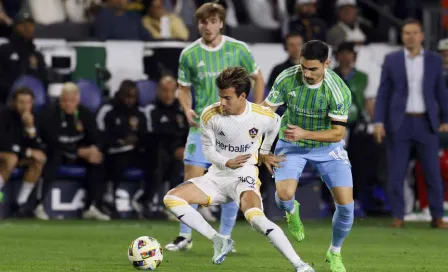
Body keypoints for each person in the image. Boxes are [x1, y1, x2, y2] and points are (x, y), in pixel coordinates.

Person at [164, 67, 314, 272]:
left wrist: (264, 151)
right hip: (216, 177)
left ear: (243, 96)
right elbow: (207, 150)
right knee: (171, 198)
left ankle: (300, 265)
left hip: (244, 178)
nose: (222, 103)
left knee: (257, 220)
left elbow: (276, 123)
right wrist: (227, 162)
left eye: (227, 98)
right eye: (220, 97)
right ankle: (218, 240)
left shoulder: (262, 115)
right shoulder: (210, 115)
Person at [165, 2, 265, 251]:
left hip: (233, 129)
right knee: (191, 178)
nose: (207, 26)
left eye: (212, 21)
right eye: (203, 22)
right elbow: (183, 88)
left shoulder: (238, 49)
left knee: (232, 181)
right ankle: (184, 236)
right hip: (201, 126)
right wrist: (187, 107)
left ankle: (225, 237)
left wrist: (258, 109)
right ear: (197, 24)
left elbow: (258, 77)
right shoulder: (189, 54)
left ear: (221, 23)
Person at [262, 40, 353, 272]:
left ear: (327, 64)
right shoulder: (286, 77)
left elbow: (337, 133)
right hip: (291, 143)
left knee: (346, 207)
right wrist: (261, 148)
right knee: (283, 196)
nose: (307, 74)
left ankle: (334, 252)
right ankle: (292, 210)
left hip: (327, 148)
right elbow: (266, 113)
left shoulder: (338, 90)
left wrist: (306, 133)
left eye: (313, 69)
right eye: (304, 67)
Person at [373, 19, 448, 229]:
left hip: (426, 122)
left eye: (414, 33)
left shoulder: (433, 60)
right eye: (406, 33)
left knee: (432, 172)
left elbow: (441, 91)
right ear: (402, 36)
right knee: (396, 173)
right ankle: (398, 215)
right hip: (400, 123)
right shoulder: (392, 59)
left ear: (422, 35)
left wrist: (446, 119)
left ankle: (437, 216)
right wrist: (378, 121)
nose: (410, 37)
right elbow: (383, 93)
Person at [36, 83, 109, 220]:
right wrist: (77, 151)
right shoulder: (49, 115)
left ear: (78, 100)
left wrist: (94, 149)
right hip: (58, 152)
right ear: (60, 100)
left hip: (78, 153)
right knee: (52, 160)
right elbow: (52, 142)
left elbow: (96, 136)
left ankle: (91, 206)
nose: (68, 104)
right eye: (65, 101)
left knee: (98, 161)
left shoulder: (85, 114)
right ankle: (39, 204)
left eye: (72, 101)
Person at [96, 80, 147, 218]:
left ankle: (144, 200)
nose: (130, 100)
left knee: (156, 159)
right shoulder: (108, 111)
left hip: (135, 152)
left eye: (133, 96)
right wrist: (122, 142)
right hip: (113, 152)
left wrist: (138, 142)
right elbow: (101, 135)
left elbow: (146, 136)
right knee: (118, 160)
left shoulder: (140, 113)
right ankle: (109, 198)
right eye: (127, 96)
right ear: (119, 95)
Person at [0, 87, 46, 213]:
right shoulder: (4, 115)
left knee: (39, 160)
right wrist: (28, 152)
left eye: (28, 102)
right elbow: (4, 143)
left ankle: (20, 203)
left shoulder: (34, 117)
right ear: (13, 102)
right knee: (11, 158)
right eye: (21, 102)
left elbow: (39, 146)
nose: (25, 106)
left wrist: (30, 128)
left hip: (19, 155)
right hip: (4, 153)